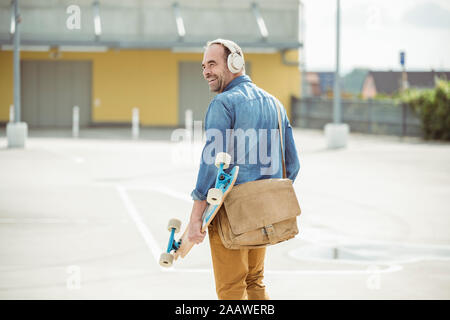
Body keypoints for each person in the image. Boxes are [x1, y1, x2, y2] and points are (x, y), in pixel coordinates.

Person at [187, 39, 300, 300]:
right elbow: (292, 166)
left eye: (212, 64)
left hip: (230, 213)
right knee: (255, 282)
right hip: (263, 213)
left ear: (234, 63)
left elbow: (210, 165)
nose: (206, 71)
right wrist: (267, 195)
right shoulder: (275, 104)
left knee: (231, 289)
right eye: (204, 66)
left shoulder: (223, 104)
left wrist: (196, 218)